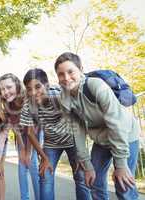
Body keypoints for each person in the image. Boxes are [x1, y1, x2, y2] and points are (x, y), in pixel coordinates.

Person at [54, 52, 140, 200]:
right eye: (61, 74)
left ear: (81, 69)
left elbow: (116, 123)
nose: (66, 78)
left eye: (70, 71)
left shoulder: (95, 86)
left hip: (125, 134)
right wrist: (87, 166)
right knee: (94, 182)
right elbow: (77, 131)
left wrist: (120, 164)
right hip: (101, 140)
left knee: (123, 185)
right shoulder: (64, 98)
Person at [19, 68, 91, 200]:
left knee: (81, 177)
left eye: (38, 87)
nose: (34, 92)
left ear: (47, 85)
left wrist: (82, 152)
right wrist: (44, 157)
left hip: (72, 140)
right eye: (29, 89)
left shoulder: (59, 96)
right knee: (45, 175)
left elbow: (80, 121)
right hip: (51, 144)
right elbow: (29, 132)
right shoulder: (28, 105)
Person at [0, 73, 40, 200]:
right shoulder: (8, 105)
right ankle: (24, 197)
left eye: (9, 87)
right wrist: (22, 151)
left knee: (32, 163)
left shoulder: (27, 100)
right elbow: (16, 131)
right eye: (2, 89)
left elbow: (32, 131)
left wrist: (28, 153)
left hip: (35, 132)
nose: (6, 92)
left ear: (17, 85)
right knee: (22, 166)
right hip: (21, 134)